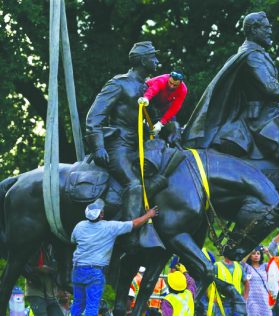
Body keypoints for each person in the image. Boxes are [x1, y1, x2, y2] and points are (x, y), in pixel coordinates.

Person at [183, 11, 279, 229]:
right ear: (253, 29)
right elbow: (269, 88)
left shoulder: (257, 53)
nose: (270, 30)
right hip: (260, 121)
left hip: (273, 115)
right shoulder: (251, 55)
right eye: (266, 27)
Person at [85, 41, 162, 248]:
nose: (157, 61)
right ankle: (128, 239)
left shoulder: (151, 88)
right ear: (141, 60)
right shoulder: (118, 84)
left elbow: (156, 120)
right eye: (153, 57)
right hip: (118, 145)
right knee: (134, 184)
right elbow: (94, 118)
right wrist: (98, 146)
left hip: (141, 146)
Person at [70, 198, 157, 316]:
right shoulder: (109, 227)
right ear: (101, 215)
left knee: (77, 303)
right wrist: (148, 215)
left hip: (77, 269)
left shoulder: (79, 226)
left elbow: (73, 240)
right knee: (92, 306)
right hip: (94, 272)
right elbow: (134, 224)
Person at [138, 71, 188, 135]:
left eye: (175, 85)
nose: (172, 86)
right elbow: (153, 90)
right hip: (149, 94)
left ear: (180, 83)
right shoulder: (162, 79)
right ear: (169, 78)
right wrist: (146, 98)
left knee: (173, 124)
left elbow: (175, 107)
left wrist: (160, 124)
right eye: (170, 83)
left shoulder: (183, 90)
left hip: (164, 101)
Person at [24, 244, 63, 316]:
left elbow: (57, 269)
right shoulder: (31, 247)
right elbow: (24, 267)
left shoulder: (52, 249)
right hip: (35, 292)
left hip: (50, 294)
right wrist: (39, 269)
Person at [243, 246, 272, 316]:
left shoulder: (264, 266)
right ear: (250, 256)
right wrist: (249, 252)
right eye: (253, 253)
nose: (256, 255)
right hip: (252, 299)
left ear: (261, 255)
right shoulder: (247, 267)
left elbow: (275, 264)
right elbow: (241, 264)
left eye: (258, 253)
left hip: (265, 298)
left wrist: (268, 253)